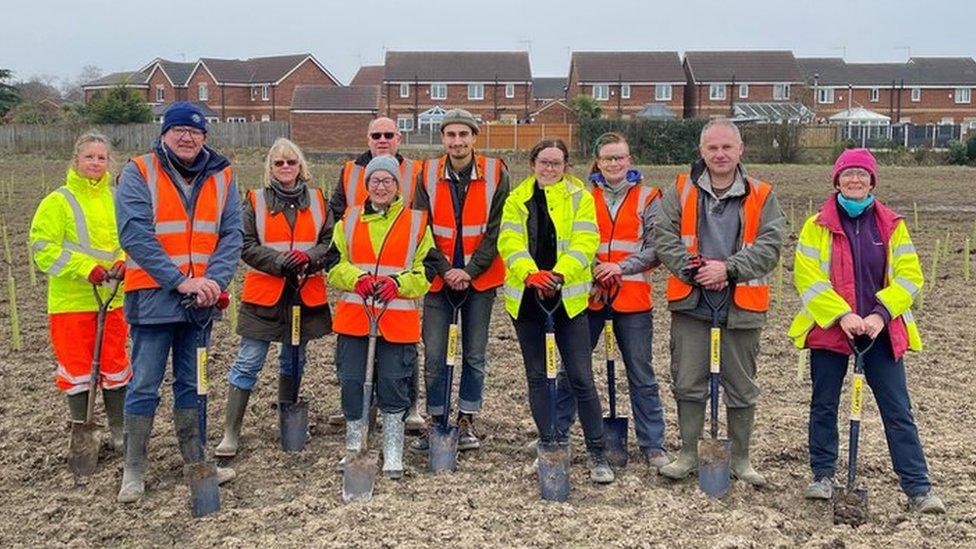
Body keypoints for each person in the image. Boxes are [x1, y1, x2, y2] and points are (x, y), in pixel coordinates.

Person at [789, 148, 945, 513]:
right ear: (837, 180)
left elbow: (909, 277)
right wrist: (843, 316)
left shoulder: (891, 224)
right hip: (831, 329)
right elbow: (807, 278)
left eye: (862, 174)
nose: (855, 180)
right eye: (848, 174)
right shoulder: (817, 226)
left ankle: (918, 487)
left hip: (880, 332)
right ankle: (823, 475)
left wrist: (878, 314)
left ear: (872, 180)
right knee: (824, 404)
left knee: (897, 409)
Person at [114, 101, 243, 503]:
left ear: (205, 136)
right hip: (154, 298)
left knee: (194, 383)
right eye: (179, 130)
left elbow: (232, 234)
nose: (187, 137)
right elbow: (135, 235)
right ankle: (134, 468)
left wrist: (212, 282)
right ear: (164, 133)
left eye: (195, 131)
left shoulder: (222, 175)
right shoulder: (139, 171)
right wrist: (180, 281)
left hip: (201, 301)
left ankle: (196, 460)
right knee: (145, 384)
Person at [655, 119, 785, 486]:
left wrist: (727, 270)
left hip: (741, 304)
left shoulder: (762, 194)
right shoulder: (680, 189)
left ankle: (740, 458)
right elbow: (663, 235)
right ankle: (688, 454)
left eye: (727, 147)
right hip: (692, 302)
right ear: (702, 151)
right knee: (687, 381)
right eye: (712, 148)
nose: (720, 154)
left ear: (740, 150)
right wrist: (693, 270)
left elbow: (771, 244)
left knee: (741, 385)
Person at [497, 138, 614, 484]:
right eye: (544, 162)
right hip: (528, 300)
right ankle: (549, 443)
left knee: (580, 377)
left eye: (556, 163)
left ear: (565, 166)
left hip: (568, 301)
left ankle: (597, 452)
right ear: (533, 163)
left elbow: (585, 241)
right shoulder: (517, 200)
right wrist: (531, 274)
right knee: (537, 376)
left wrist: (559, 273)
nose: (550, 168)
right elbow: (509, 242)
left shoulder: (580, 198)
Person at [553, 132, 670, 469]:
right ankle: (557, 434)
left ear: (629, 160)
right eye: (608, 159)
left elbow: (655, 248)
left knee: (641, 373)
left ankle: (653, 444)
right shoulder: (581, 196)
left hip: (632, 300)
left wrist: (618, 268)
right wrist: (593, 271)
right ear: (597, 162)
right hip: (587, 298)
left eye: (620, 158)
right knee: (572, 371)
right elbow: (571, 242)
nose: (614, 164)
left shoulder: (649, 198)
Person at [214, 138, 333, 458]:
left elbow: (330, 242)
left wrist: (308, 259)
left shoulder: (319, 200)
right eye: (278, 163)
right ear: (270, 167)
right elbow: (245, 244)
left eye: (291, 162)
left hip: (303, 295)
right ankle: (230, 432)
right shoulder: (254, 200)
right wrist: (279, 262)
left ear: (300, 166)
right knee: (248, 361)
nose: (285, 167)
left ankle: (288, 423)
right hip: (264, 297)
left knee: (294, 360)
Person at [410, 109, 510, 454]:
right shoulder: (427, 173)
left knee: (474, 355)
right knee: (435, 355)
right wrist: (444, 269)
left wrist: (470, 271)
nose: (457, 142)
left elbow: (499, 229)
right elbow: (419, 228)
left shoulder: (497, 173)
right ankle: (436, 420)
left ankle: (467, 419)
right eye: (450, 135)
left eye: (463, 135)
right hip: (439, 282)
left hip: (479, 282)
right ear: (443, 139)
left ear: (473, 137)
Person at [327, 155, 434, 479]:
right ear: (366, 185)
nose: (381, 186)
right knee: (353, 384)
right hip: (355, 320)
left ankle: (393, 453)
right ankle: (355, 448)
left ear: (397, 186)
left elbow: (426, 271)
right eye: (375, 181)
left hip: (396, 323)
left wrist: (397, 284)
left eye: (387, 181)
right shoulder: (348, 220)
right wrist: (356, 279)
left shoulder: (415, 222)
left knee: (393, 385)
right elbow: (334, 264)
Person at [29, 130, 130, 454]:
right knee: (76, 369)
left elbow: (129, 240)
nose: (96, 163)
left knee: (115, 365)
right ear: (76, 159)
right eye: (89, 157)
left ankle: (119, 431)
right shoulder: (58, 201)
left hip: (112, 297)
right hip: (71, 301)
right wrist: (85, 269)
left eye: (101, 157)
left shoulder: (117, 198)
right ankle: (82, 432)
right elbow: (43, 248)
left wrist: (123, 262)